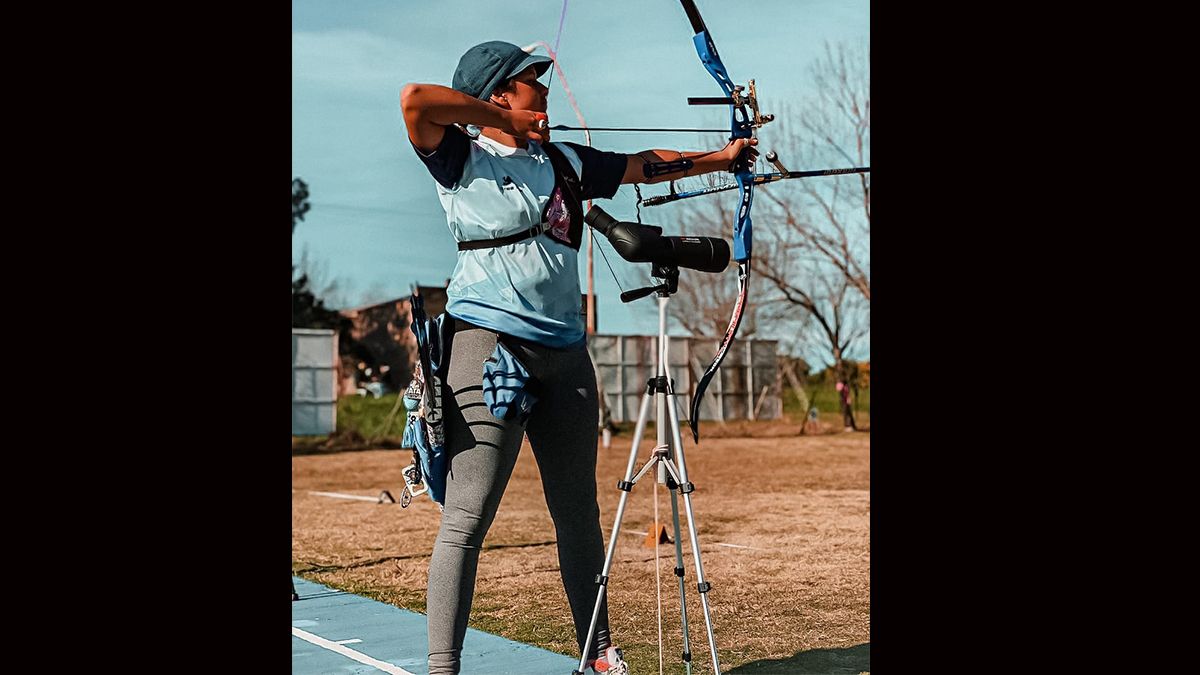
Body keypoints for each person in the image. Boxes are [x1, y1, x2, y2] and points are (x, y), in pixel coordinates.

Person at [400, 39, 757, 675]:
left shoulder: (562, 160)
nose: (544, 88)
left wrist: (721, 158)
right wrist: (500, 121)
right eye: (530, 80)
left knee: (579, 516)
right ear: (500, 93)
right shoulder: (460, 156)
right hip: (487, 347)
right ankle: (442, 668)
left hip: (564, 354)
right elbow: (415, 101)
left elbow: (643, 166)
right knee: (468, 516)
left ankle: (598, 655)